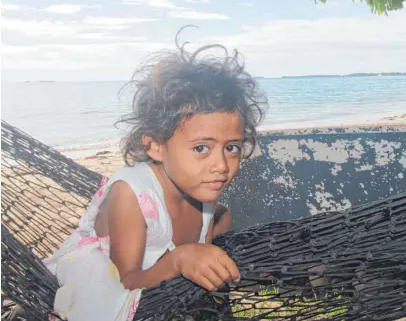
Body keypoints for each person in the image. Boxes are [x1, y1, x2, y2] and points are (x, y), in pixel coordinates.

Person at [43, 28, 268, 321]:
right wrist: (179, 259)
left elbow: (218, 217)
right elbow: (126, 283)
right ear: (156, 146)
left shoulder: (200, 184)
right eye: (202, 147)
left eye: (232, 148)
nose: (221, 165)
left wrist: (205, 241)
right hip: (107, 280)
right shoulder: (129, 194)